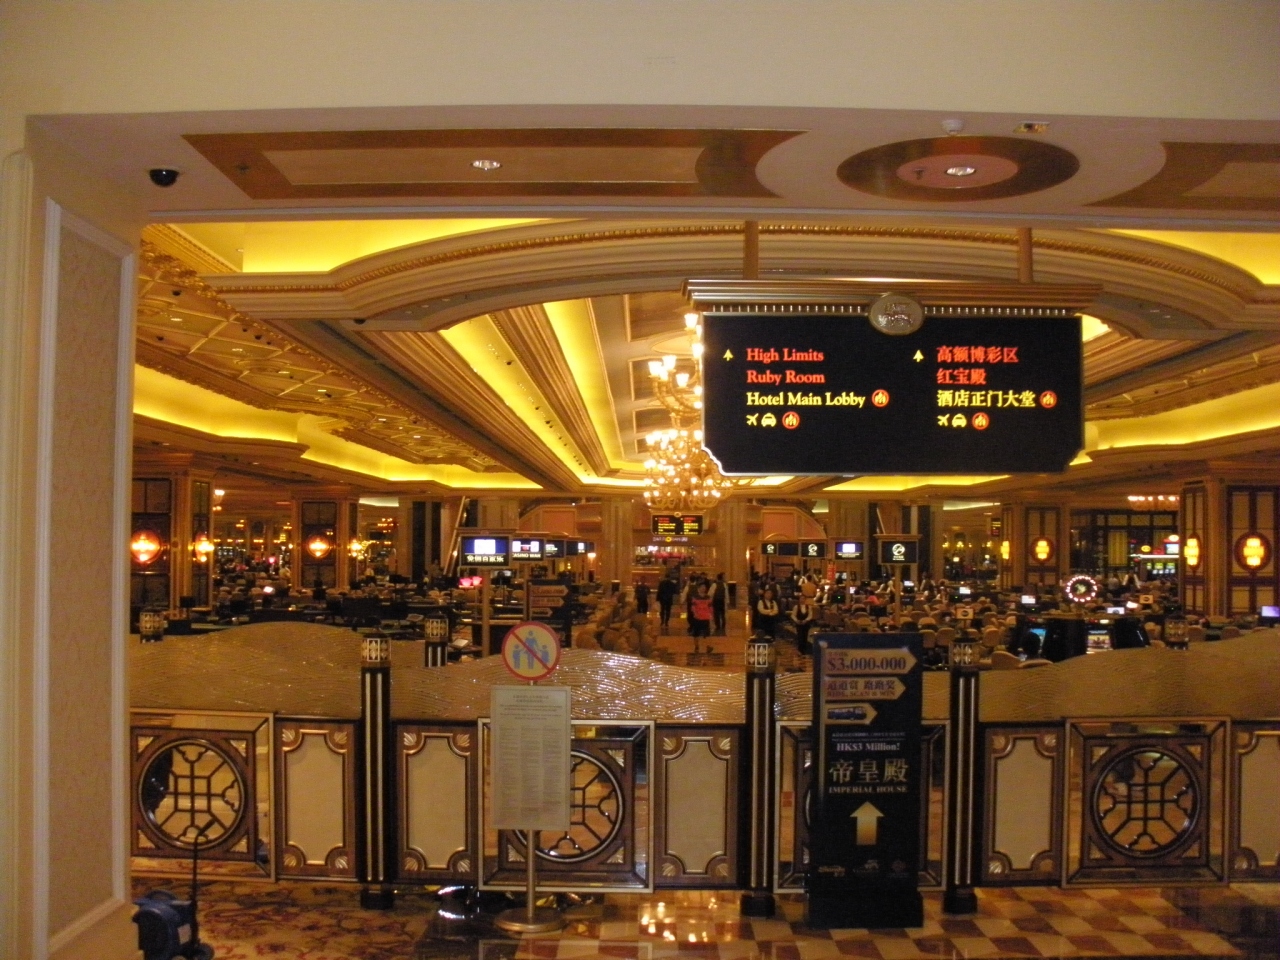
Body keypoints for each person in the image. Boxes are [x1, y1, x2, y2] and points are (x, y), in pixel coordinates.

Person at [689, 582, 713, 647]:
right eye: (702, 587)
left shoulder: (708, 597)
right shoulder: (695, 597)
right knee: (696, 633)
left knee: (706, 632)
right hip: (697, 617)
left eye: (704, 587)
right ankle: (696, 645)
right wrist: (695, 613)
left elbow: (710, 607)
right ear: (698, 588)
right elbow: (693, 607)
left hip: (706, 617)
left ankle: (708, 646)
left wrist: (711, 614)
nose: (703, 588)